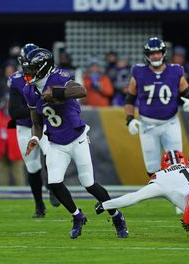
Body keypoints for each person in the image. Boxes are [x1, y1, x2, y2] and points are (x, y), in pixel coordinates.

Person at [22, 47, 128, 239]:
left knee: (88, 183)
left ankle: (116, 215)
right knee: (54, 182)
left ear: (43, 67)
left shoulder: (58, 77)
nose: (27, 73)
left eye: (31, 69)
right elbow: (36, 121)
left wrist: (55, 93)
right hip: (55, 141)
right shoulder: (29, 90)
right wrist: (35, 138)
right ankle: (77, 216)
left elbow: (81, 90)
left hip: (77, 137)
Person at [124, 37, 189, 178]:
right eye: (152, 53)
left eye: (157, 52)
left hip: (170, 123)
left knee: (177, 163)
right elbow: (130, 98)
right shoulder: (138, 72)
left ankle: (177, 191)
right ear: (147, 55)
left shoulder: (175, 71)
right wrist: (130, 119)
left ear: (163, 53)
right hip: (147, 125)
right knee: (152, 168)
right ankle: (159, 192)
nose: (155, 56)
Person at [8, 43, 58, 218]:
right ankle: (39, 205)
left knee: (51, 156)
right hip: (25, 127)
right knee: (32, 166)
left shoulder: (52, 77)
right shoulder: (16, 80)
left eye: (32, 64)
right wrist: (38, 108)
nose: (28, 68)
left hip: (45, 125)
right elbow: (14, 112)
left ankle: (52, 187)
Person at [0, 94, 25, 186]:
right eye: (6, 101)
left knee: (18, 172)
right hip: (1, 147)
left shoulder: (18, 114)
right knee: (2, 173)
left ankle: (21, 194)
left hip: (15, 147)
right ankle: (3, 194)